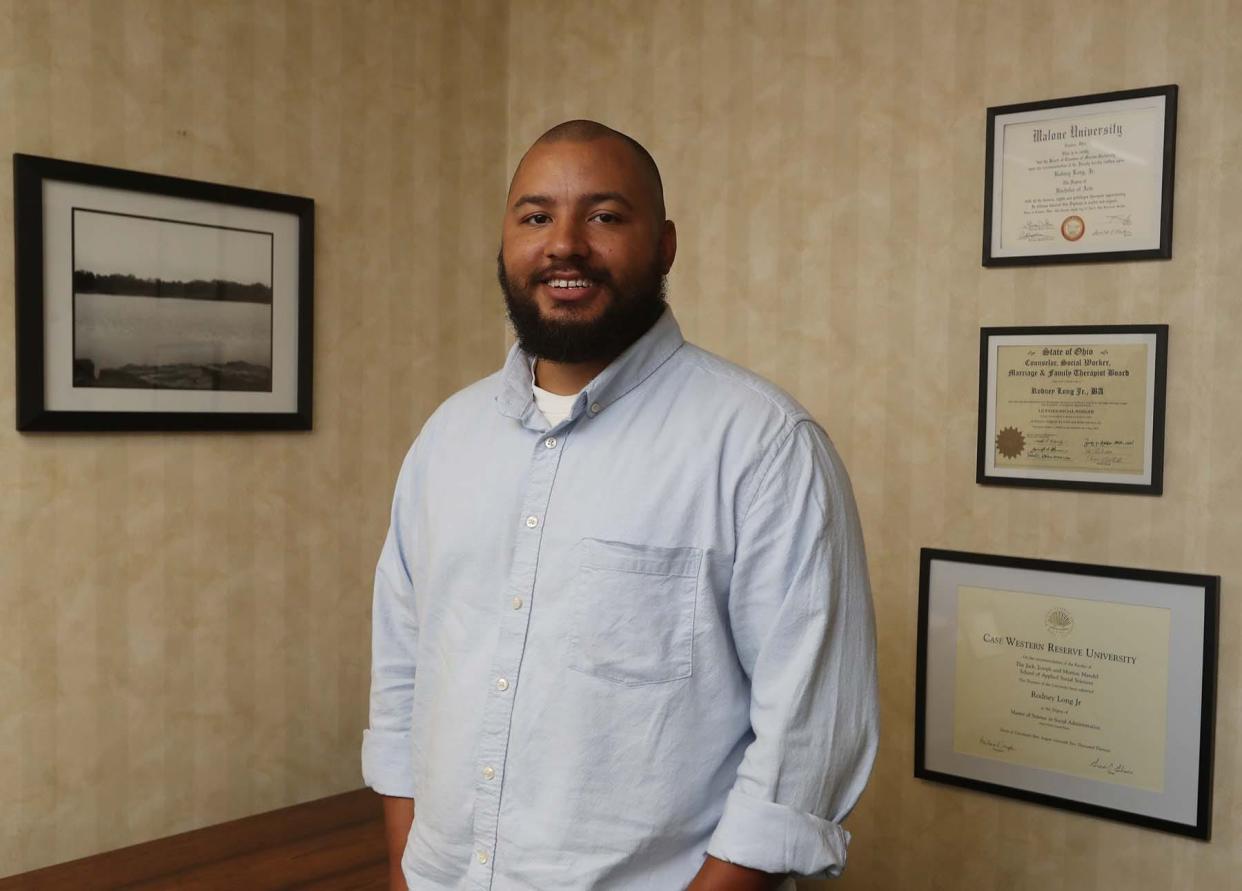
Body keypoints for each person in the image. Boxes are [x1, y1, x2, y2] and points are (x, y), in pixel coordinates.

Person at [362, 120, 878, 891]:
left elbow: (804, 752)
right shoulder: (447, 440)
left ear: (665, 245)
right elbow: (403, 682)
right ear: (504, 242)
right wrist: (410, 871)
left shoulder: (764, 447)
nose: (564, 244)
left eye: (604, 216)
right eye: (536, 217)